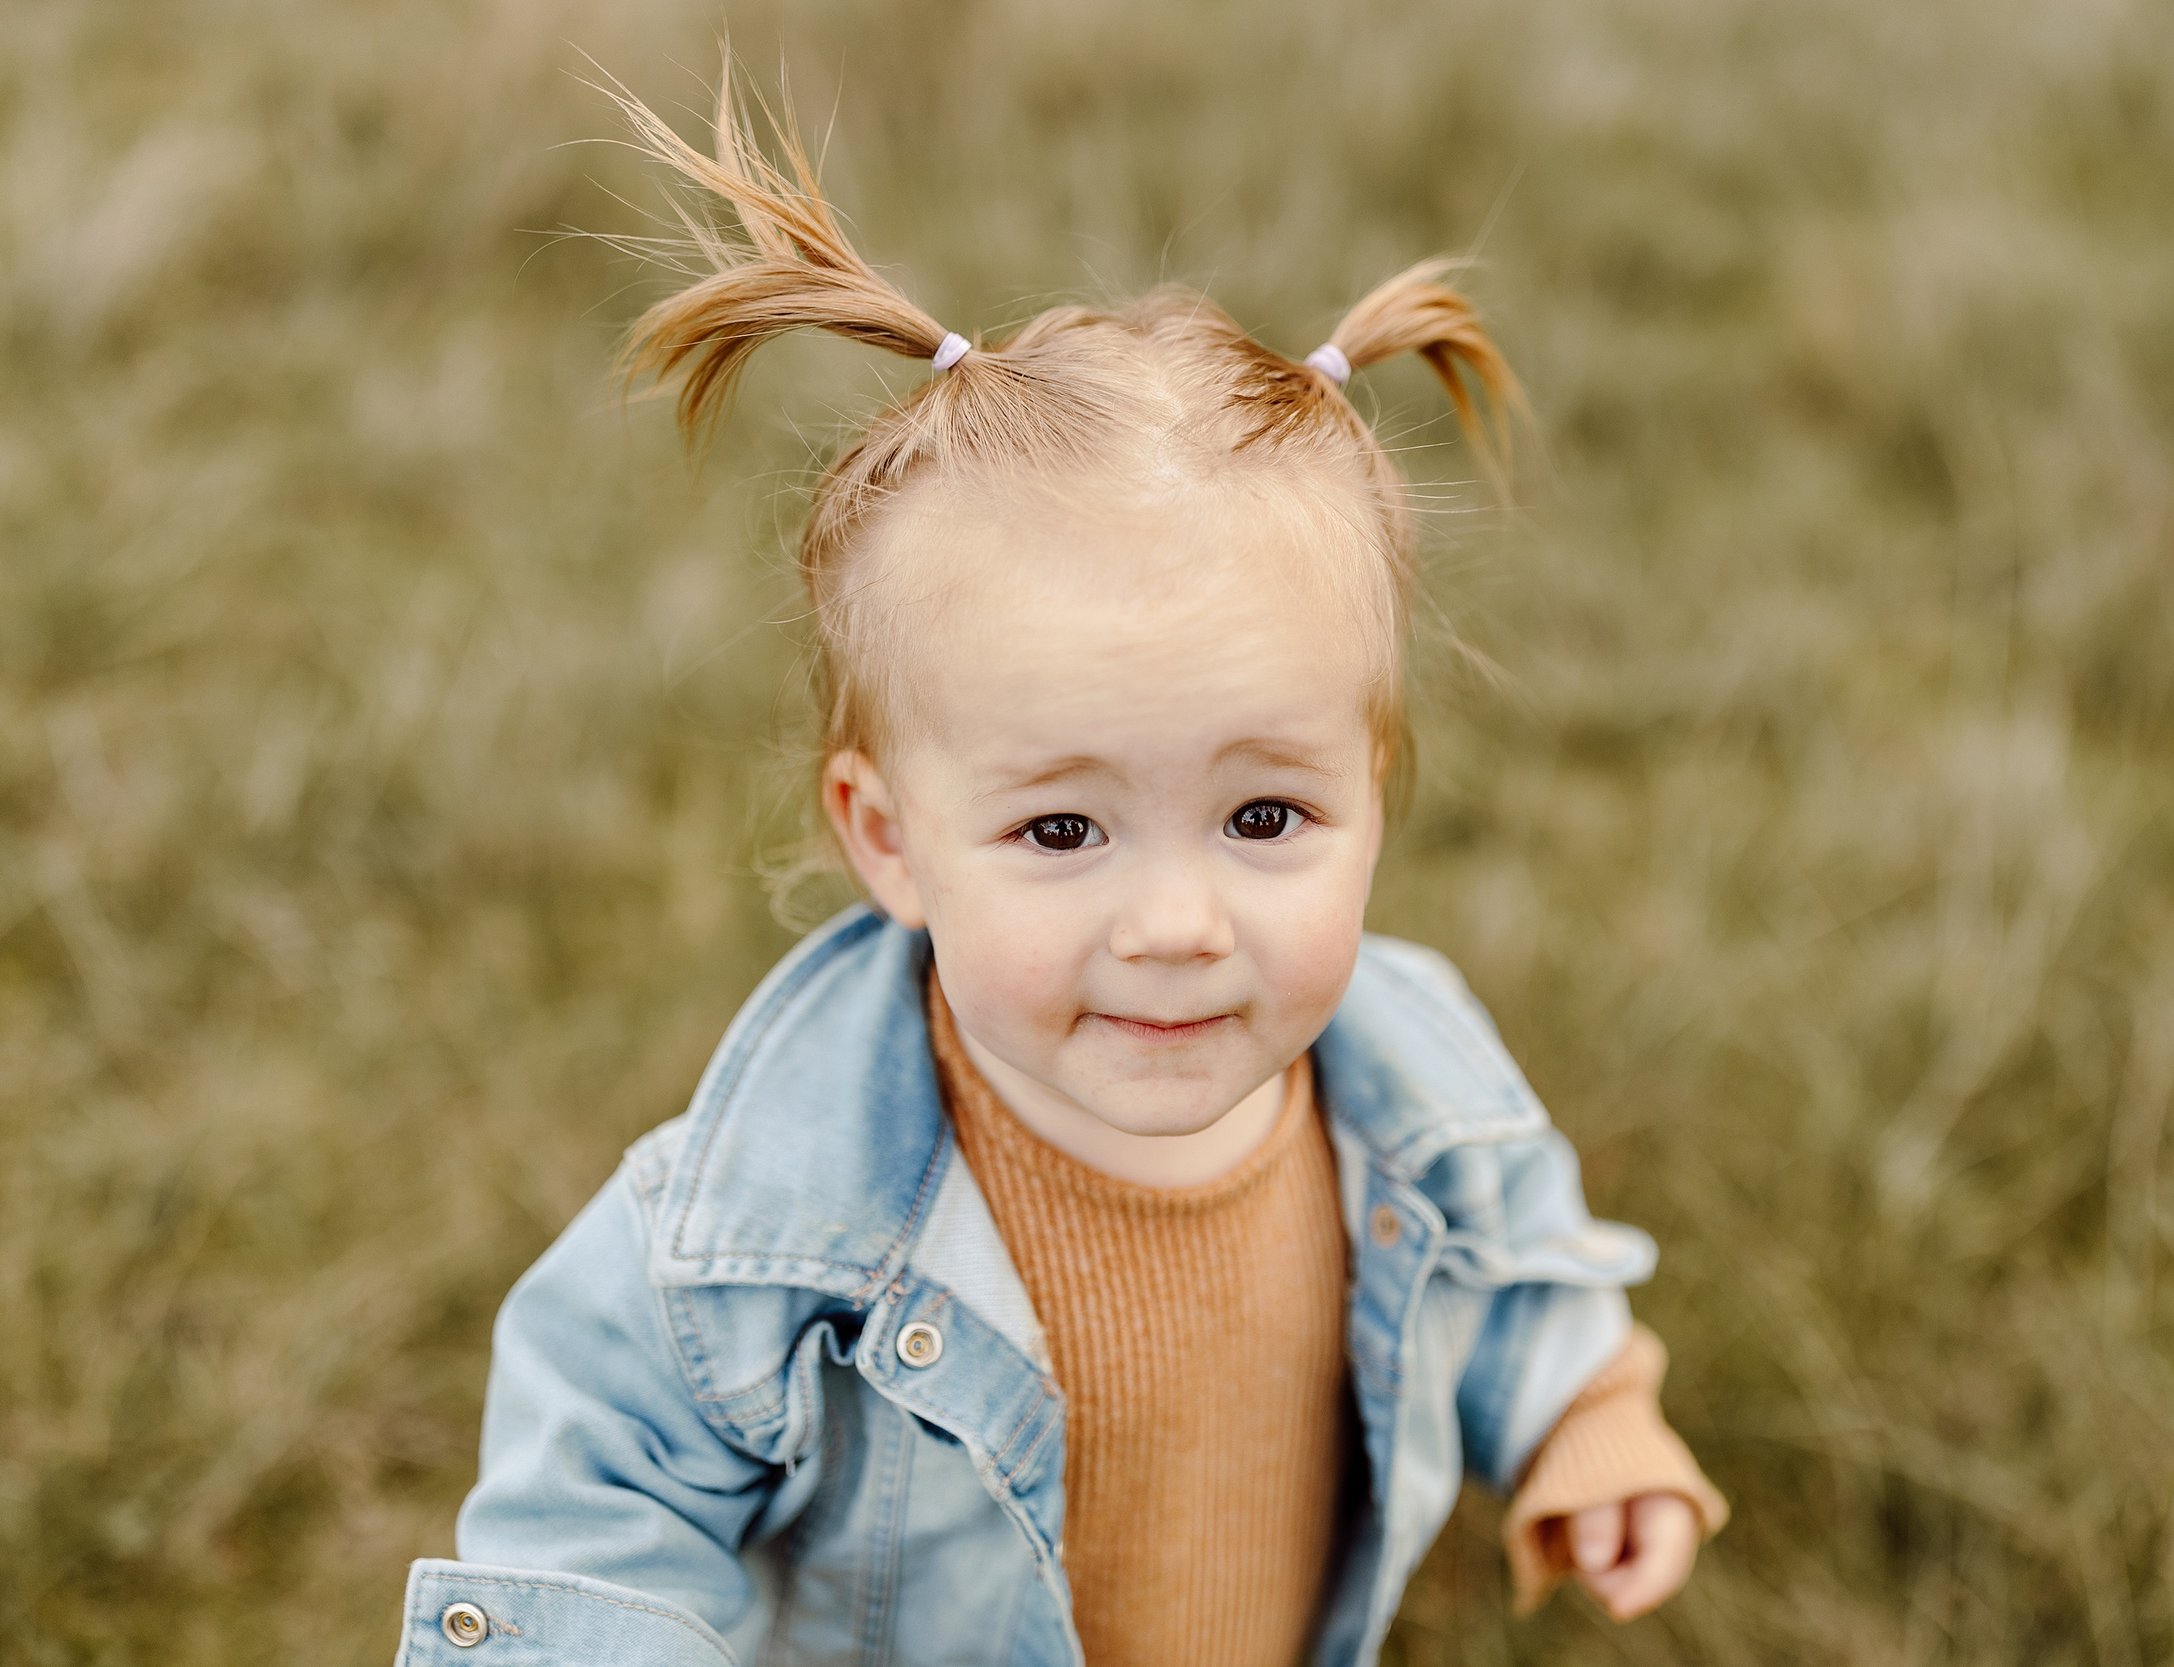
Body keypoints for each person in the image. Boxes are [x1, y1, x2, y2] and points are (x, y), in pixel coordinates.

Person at [391, 68, 1728, 1667]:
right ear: (887, 838)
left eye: (1263, 819)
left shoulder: (1414, 1081)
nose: (1175, 926)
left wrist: (1588, 1419)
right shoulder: (750, 1240)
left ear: (1369, 793)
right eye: (1061, 832)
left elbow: (1512, 1267)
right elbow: (598, 1498)